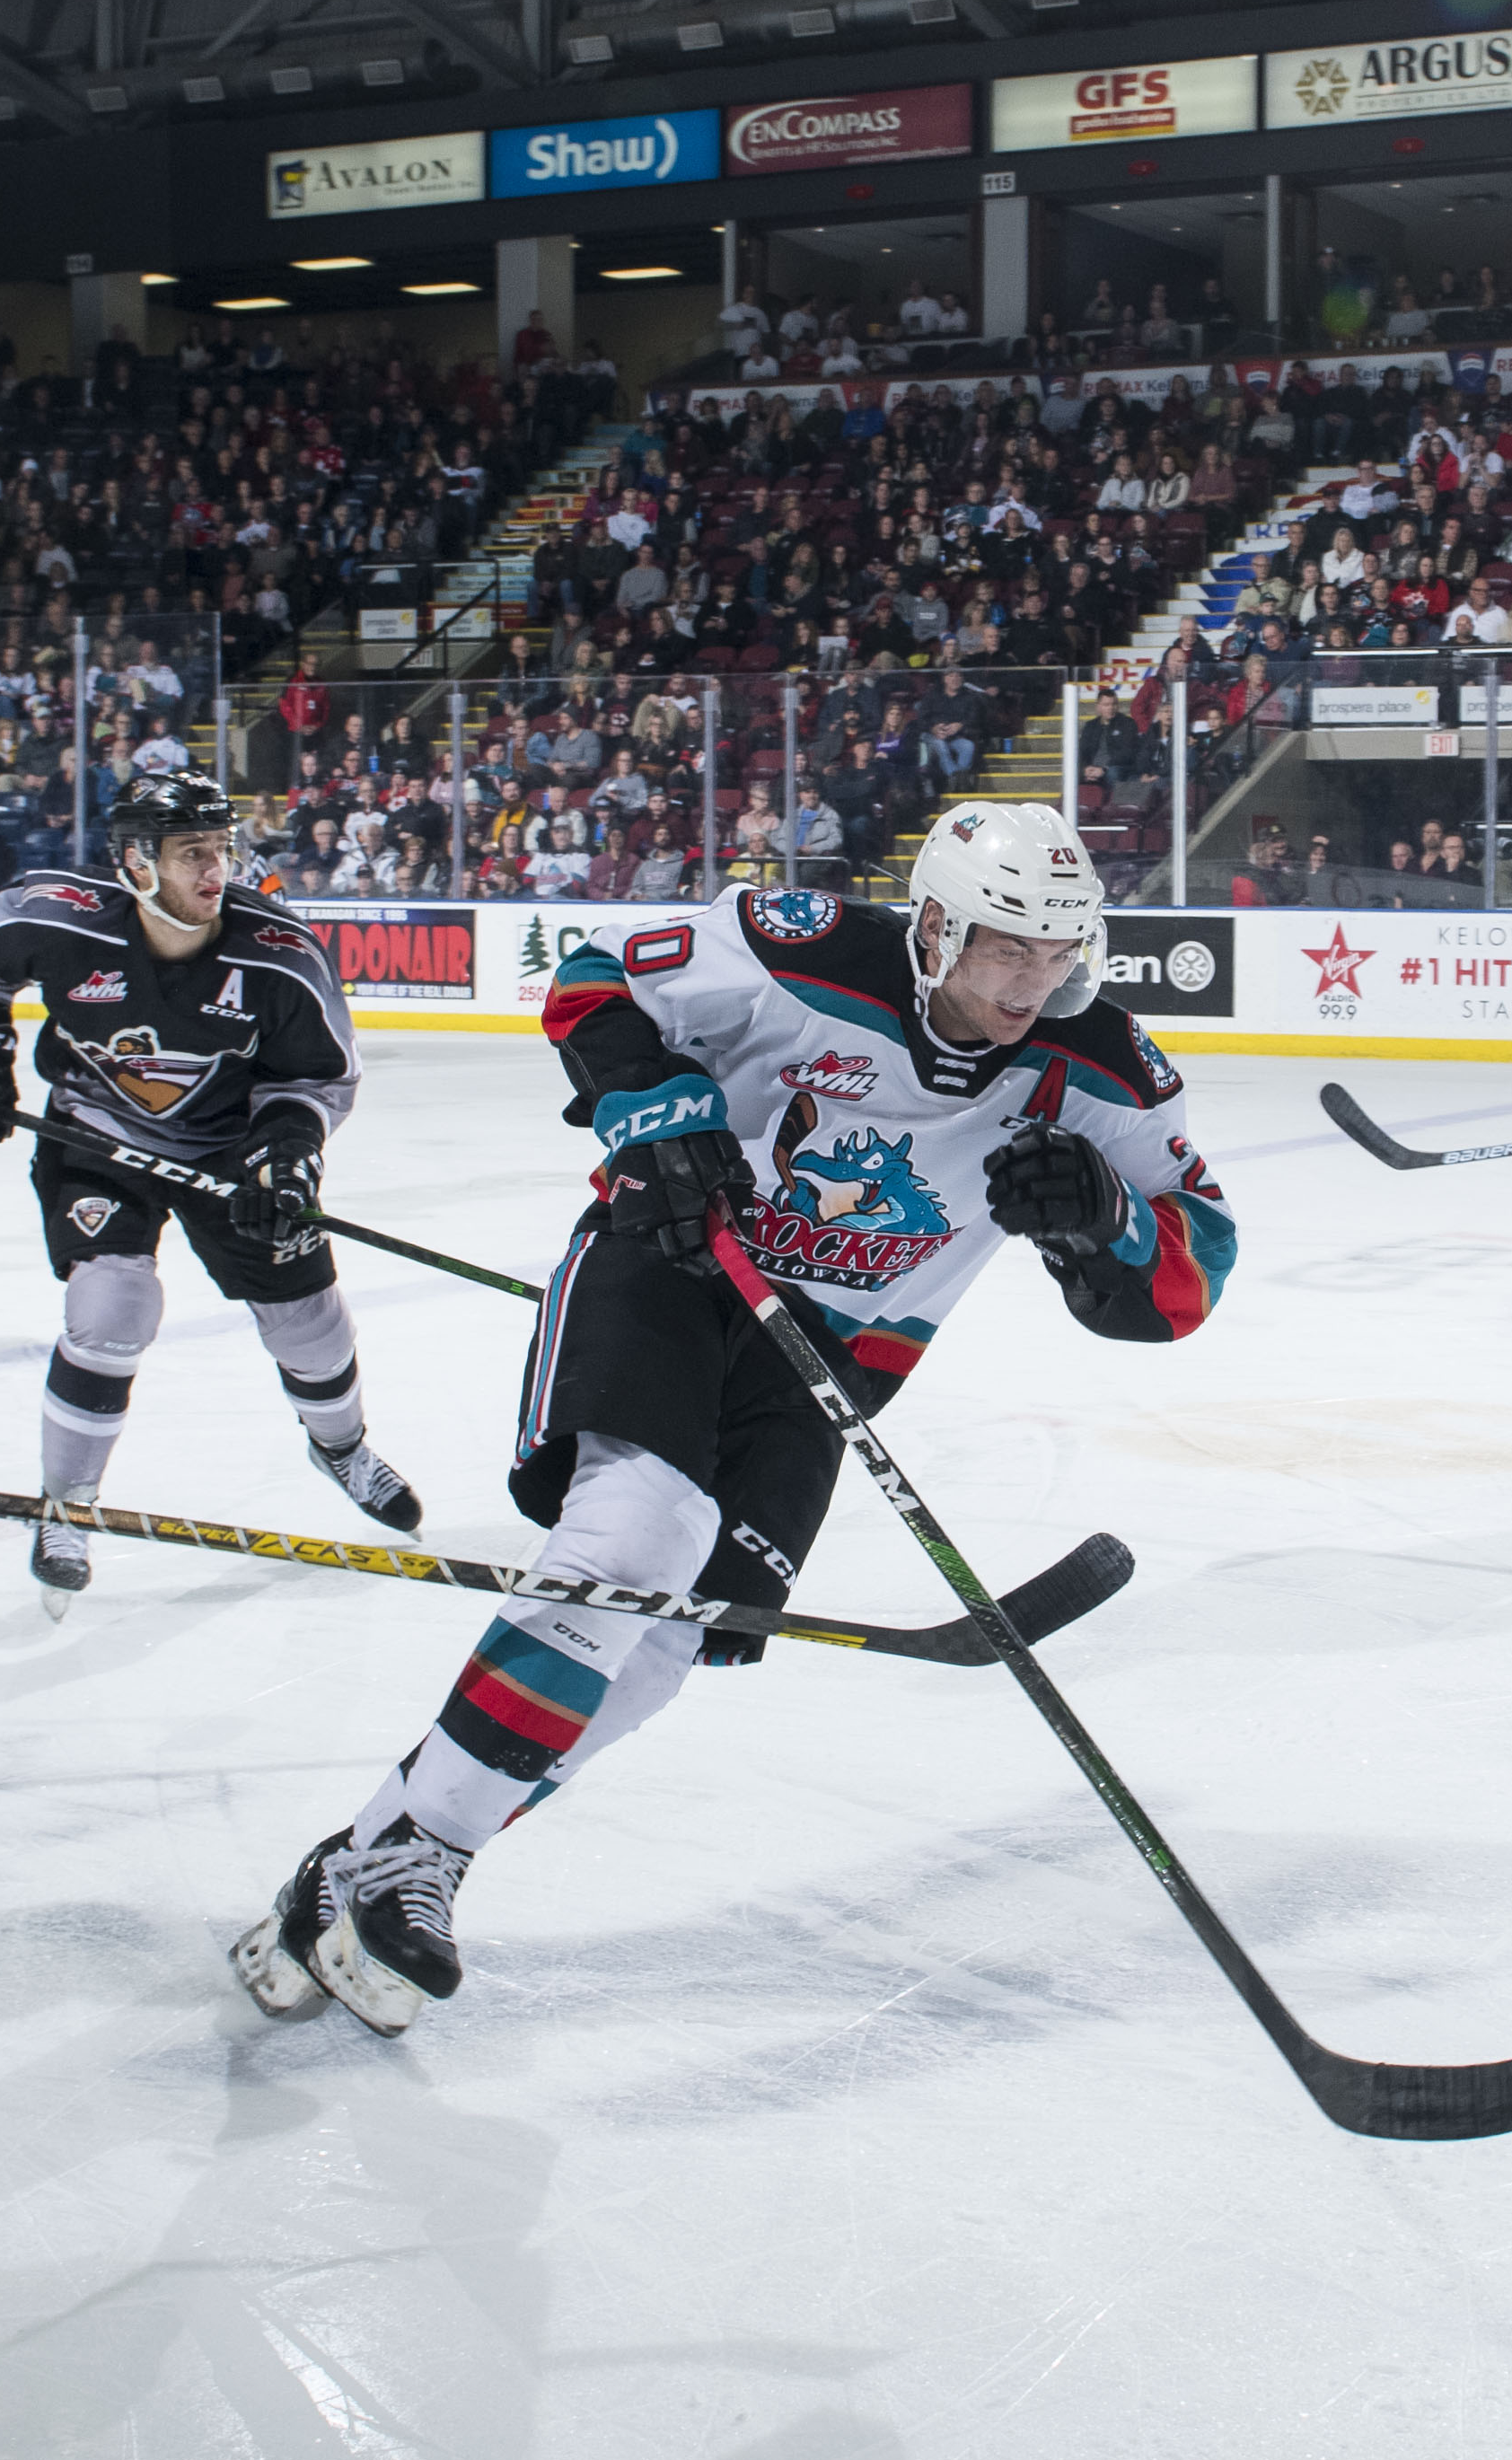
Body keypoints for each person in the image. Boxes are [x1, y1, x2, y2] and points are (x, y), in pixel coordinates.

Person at [233, 803, 1235, 2036]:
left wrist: (1104, 1220)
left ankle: (360, 1864)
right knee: (633, 1543)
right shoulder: (800, 950)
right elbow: (597, 980)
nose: (1032, 983)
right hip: (671, 1267)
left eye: (1055, 953)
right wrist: (654, 1110)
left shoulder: (1102, 1068)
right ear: (934, 927)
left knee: (664, 1651)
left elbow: (1194, 1267)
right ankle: (423, 1860)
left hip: (828, 1360)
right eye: (1004, 948)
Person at [0, 769, 420, 1612]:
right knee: (112, 1309)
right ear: (136, 862)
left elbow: (317, 1077)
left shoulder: (278, 955)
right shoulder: (62, 916)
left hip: (230, 1149)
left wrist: (285, 1157)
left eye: (221, 848)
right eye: (192, 852)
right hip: (96, 1136)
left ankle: (340, 1448)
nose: (215, 869)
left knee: (309, 1325)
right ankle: (66, 1505)